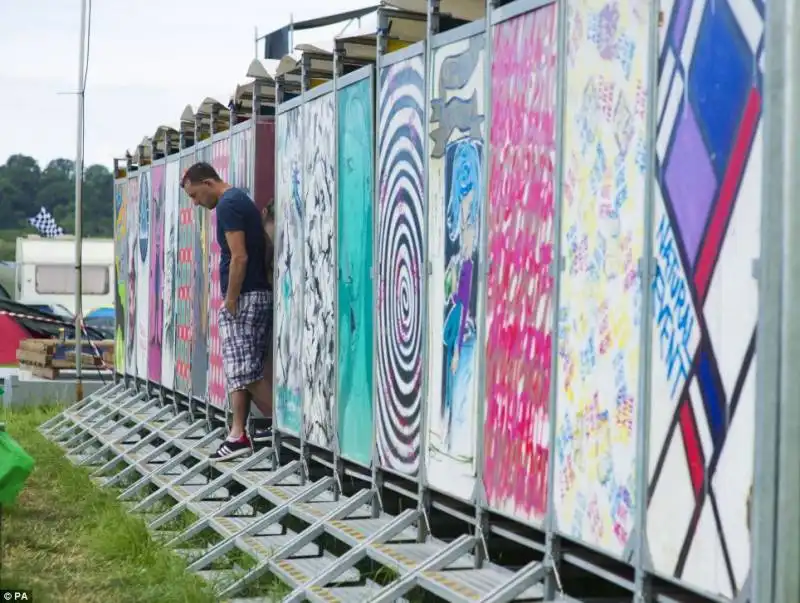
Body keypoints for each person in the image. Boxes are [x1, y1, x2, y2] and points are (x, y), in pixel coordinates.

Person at [181, 162, 273, 461]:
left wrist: (231, 299)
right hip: (253, 294)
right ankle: (237, 433)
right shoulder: (239, 200)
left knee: (244, 371)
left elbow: (239, 257)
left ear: (208, 183)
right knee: (240, 370)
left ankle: (280, 426)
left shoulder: (228, 205)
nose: (196, 203)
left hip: (244, 296)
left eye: (195, 195)